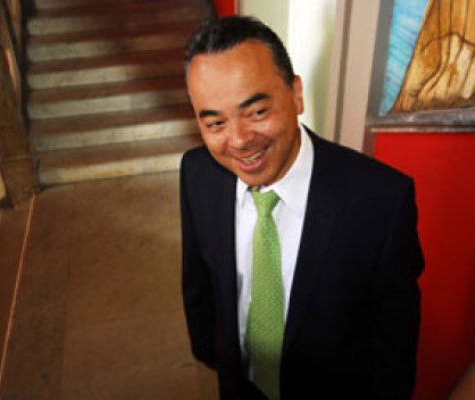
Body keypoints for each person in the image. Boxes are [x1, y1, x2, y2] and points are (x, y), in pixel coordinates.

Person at [180, 16, 424, 400]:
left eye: (257, 112)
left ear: (296, 94)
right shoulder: (198, 173)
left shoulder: (381, 202)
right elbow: (198, 281)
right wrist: (212, 354)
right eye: (215, 123)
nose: (239, 140)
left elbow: (393, 346)